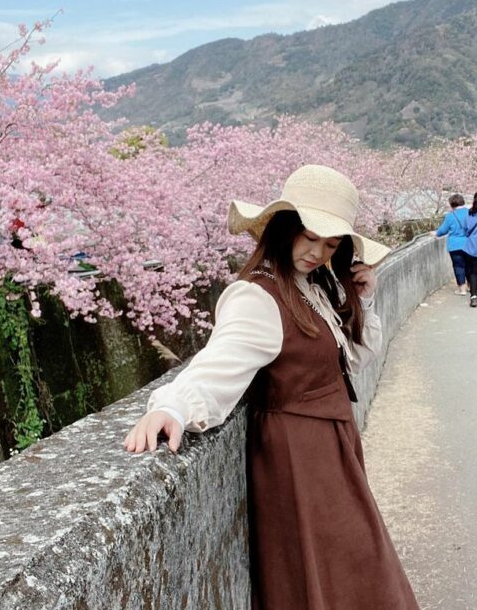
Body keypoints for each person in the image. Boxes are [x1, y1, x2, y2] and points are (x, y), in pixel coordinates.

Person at [123, 165, 419, 610]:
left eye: (331, 244)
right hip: (297, 452)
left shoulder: (312, 286)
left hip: (330, 445)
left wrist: (363, 297)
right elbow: (221, 361)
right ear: (285, 228)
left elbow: (352, 355)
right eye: (310, 236)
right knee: (324, 569)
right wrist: (174, 407)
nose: (318, 252)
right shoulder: (258, 296)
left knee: (352, 563)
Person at [430, 193, 469, 295]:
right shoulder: (470, 213)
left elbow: (443, 230)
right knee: (469, 265)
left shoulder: (450, 216)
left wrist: (436, 233)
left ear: (452, 204)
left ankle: (462, 289)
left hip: (455, 245)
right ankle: (470, 285)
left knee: (458, 266)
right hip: (469, 244)